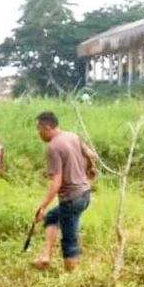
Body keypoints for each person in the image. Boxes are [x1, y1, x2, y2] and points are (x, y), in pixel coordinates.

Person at [32, 111, 97, 272]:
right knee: (52, 217)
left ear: (47, 127)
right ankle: (45, 256)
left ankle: (71, 278)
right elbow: (90, 154)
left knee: (69, 240)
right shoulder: (72, 136)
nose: (39, 134)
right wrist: (90, 168)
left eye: (39, 130)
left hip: (71, 199)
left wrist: (42, 207)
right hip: (85, 194)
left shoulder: (53, 147)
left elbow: (56, 182)